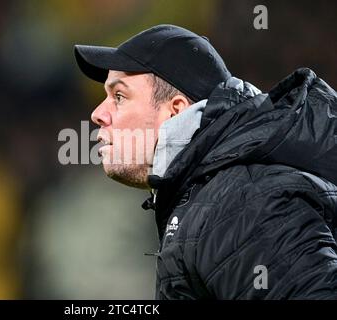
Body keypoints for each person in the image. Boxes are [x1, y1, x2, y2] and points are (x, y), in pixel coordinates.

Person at [74, 24, 337, 299]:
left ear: (176, 110)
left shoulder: (240, 203)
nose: (97, 114)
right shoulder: (213, 196)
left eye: (119, 96)